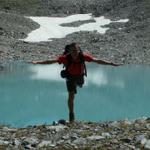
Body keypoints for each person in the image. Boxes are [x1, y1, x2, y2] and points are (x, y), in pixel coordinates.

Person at [30, 42, 121, 123]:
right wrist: (37, 62)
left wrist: (110, 63)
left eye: (75, 50)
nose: (74, 52)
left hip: (79, 77)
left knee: (80, 85)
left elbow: (97, 61)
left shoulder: (83, 56)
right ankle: (71, 115)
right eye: (72, 50)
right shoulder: (65, 58)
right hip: (70, 77)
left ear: (78, 50)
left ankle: (77, 86)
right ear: (69, 51)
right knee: (71, 95)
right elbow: (51, 61)